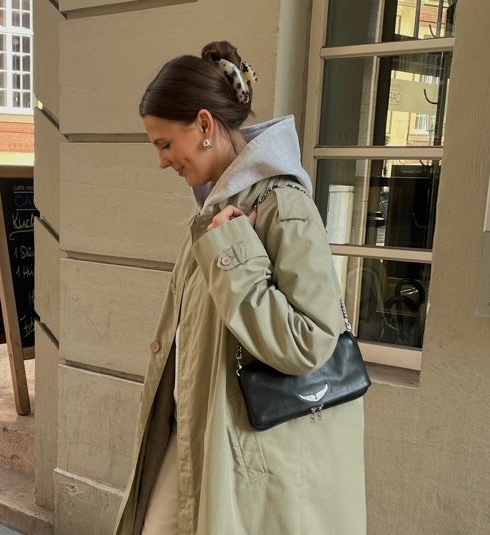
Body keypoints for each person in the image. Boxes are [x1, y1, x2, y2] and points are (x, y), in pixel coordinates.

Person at [114, 40, 366, 535]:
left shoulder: (284, 206)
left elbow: (310, 341)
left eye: (165, 144)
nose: (162, 161)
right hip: (201, 436)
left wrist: (235, 257)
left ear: (204, 125)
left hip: (248, 454)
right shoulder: (218, 210)